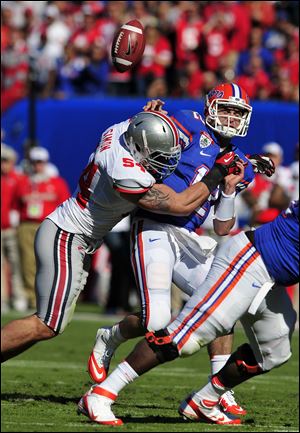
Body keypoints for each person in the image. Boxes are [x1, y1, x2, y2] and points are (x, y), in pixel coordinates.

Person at [86, 84, 275, 415]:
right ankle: (111, 337)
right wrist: (149, 116)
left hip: (190, 239)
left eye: (238, 112)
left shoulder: (238, 161)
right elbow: (151, 134)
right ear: (211, 107)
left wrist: (230, 189)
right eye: (227, 109)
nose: (231, 118)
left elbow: (222, 227)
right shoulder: (189, 122)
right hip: (154, 227)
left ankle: (216, 391)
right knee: (157, 319)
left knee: (223, 303)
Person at [1, 109, 242, 362]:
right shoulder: (126, 172)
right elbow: (181, 204)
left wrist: (152, 111)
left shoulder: (121, 131)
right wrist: (216, 173)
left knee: (52, 326)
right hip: (68, 235)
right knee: (47, 323)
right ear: (139, 149)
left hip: (78, 235)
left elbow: (145, 121)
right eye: (159, 156)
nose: (167, 162)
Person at [78, 200, 298, 426]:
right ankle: (101, 394)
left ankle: (205, 401)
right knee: (186, 336)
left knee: (274, 351)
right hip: (251, 260)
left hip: (272, 277)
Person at [15, 146, 71, 308]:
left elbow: (65, 205)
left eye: (40, 162)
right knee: (27, 262)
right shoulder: (24, 181)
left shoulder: (56, 182)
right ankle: (30, 296)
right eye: (34, 162)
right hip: (26, 225)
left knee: (48, 261)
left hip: (47, 225)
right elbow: (15, 203)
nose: (37, 166)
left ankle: (48, 296)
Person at [1, 143, 27, 312]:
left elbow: (23, 201)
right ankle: (2, 299)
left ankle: (19, 296)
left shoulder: (18, 178)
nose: (3, 164)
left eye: (5, 160)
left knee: (17, 263)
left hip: (11, 228)